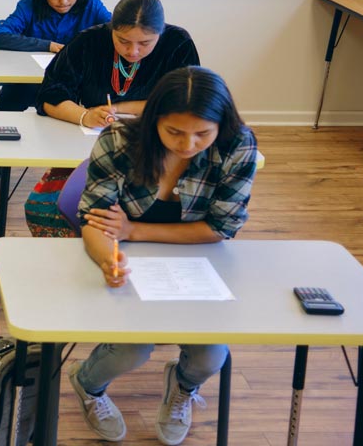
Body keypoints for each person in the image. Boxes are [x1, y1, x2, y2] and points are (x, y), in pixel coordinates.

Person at [67, 66, 258, 446]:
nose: (188, 144)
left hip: (198, 261)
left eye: (203, 134)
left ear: (221, 125)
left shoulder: (239, 146)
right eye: (174, 132)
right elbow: (95, 221)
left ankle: (183, 387)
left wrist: (135, 230)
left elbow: (221, 228)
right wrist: (110, 259)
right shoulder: (120, 140)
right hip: (129, 256)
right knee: (132, 350)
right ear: (154, 120)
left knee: (209, 356)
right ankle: (87, 385)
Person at [25, 0, 199, 236]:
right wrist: (84, 115)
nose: (133, 51)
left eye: (145, 43)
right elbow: (49, 96)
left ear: (160, 34)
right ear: (112, 28)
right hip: (88, 146)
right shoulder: (89, 41)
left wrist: (119, 109)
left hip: (157, 150)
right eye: (123, 41)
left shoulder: (177, 43)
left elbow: (186, 104)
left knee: (129, 206)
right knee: (44, 207)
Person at [0, 0, 111, 111]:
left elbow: (116, 32)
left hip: (74, 83)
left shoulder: (92, 5)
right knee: (7, 109)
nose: (63, 1)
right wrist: (48, 45)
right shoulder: (29, 5)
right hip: (27, 82)